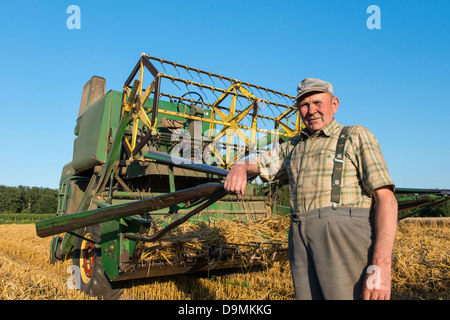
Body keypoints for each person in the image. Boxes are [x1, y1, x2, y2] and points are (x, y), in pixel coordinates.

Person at [224, 78, 398, 300]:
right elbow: (258, 164)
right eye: (304, 106)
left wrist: (381, 266)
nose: (311, 111)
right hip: (300, 240)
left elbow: (386, 199)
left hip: (344, 242)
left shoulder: (355, 135)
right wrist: (240, 166)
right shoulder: (293, 146)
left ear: (334, 104)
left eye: (318, 103)